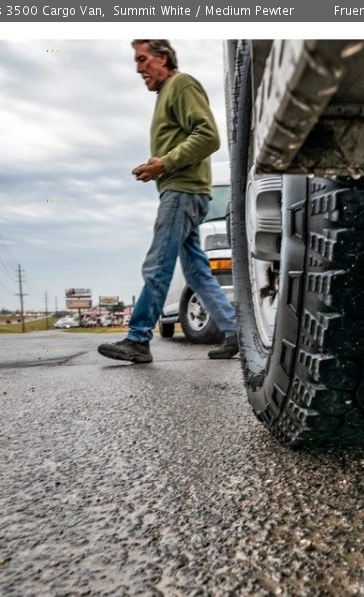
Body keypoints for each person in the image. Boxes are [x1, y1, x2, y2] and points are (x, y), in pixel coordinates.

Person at [98, 39, 238, 364]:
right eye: (136, 61)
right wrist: (157, 164)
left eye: (143, 59)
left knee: (158, 262)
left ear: (163, 58)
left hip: (183, 191)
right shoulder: (166, 94)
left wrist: (166, 163)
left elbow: (208, 136)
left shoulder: (181, 84)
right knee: (197, 272)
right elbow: (183, 142)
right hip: (184, 189)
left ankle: (138, 338)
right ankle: (233, 331)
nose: (138, 68)